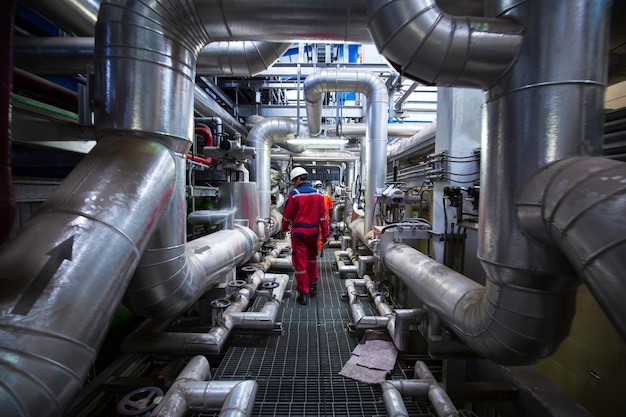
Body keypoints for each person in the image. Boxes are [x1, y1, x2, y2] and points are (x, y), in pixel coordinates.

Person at [282, 167, 329, 305]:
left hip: (299, 233)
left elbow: (287, 216)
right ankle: (313, 286)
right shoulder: (319, 194)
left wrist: (283, 229)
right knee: (312, 259)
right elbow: (323, 217)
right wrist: (325, 234)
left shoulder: (294, 194)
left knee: (300, 264)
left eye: (293, 181)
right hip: (313, 232)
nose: (293, 184)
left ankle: (303, 293)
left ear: (298, 179)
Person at [313, 180, 333, 251]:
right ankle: (321, 247)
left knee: (317, 232)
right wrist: (330, 215)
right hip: (325, 217)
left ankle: (317, 247)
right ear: (322, 186)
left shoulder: (313, 194)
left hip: (314, 217)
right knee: (323, 231)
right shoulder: (327, 195)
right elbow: (331, 208)